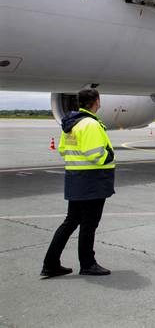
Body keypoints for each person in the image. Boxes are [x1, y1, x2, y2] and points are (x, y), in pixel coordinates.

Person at [41, 89, 115, 278]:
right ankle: (87, 264)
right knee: (89, 225)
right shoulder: (90, 124)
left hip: (75, 178)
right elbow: (95, 154)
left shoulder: (71, 123)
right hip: (92, 180)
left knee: (71, 221)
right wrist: (109, 155)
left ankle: (50, 263)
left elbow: (63, 150)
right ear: (96, 102)